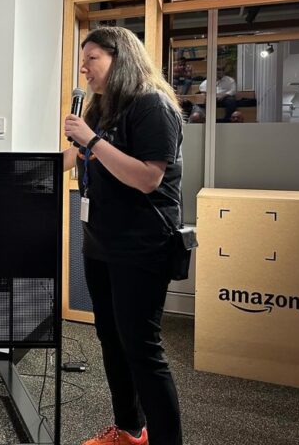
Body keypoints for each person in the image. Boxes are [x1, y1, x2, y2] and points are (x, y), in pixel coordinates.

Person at [63, 26, 184, 445]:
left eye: (92, 57)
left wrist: (90, 139)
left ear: (120, 58)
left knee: (142, 351)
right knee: (111, 342)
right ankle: (130, 431)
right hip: (100, 244)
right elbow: (74, 155)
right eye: (84, 58)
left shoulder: (153, 105)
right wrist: (19, 170)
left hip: (142, 246)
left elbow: (148, 178)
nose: (83, 66)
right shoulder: (100, 109)